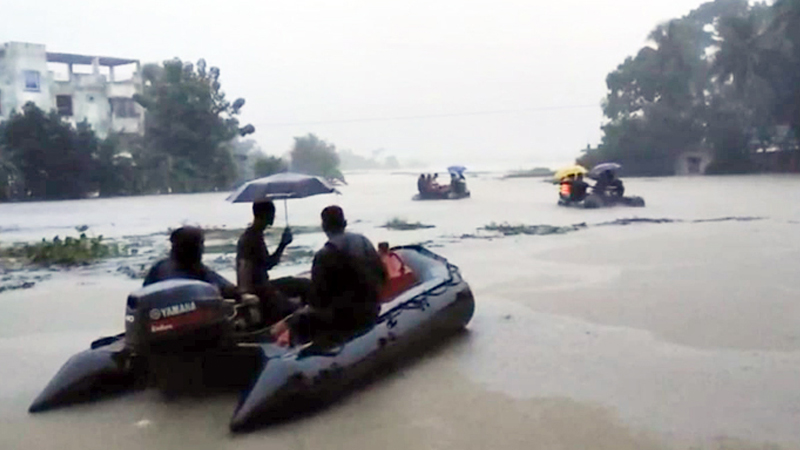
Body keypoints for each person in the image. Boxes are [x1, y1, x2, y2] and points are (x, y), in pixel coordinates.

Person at [280, 205, 387, 344]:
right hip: (372, 310)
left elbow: (317, 300)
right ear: (345, 223)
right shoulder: (363, 241)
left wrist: (294, 315)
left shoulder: (324, 255)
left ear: (324, 226)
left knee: (298, 319)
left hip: (346, 319)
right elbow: (383, 275)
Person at [236, 201, 308, 326]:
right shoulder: (252, 238)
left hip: (263, 285)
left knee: (301, 283)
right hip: (260, 288)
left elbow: (266, 263)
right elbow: (268, 264)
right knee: (296, 303)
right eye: (272, 214)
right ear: (266, 215)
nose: (274, 217)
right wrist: (283, 244)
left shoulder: (254, 235)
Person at [143, 226, 238, 299]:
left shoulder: (159, 267)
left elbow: (227, 288)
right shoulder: (198, 271)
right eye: (199, 245)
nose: (202, 249)